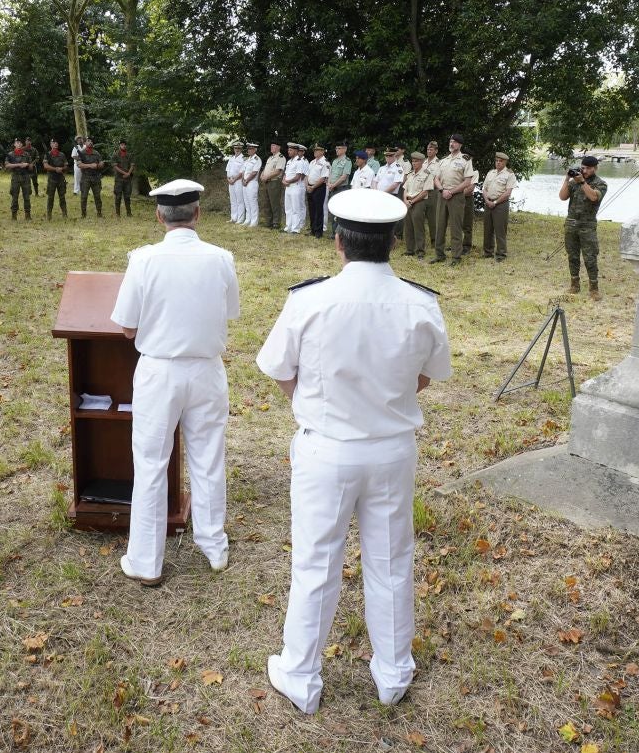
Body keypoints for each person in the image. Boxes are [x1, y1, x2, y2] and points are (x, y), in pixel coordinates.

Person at [255, 188, 452, 714]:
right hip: (391, 449)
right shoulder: (421, 303)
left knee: (316, 561)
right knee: (391, 560)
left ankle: (301, 675)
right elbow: (426, 377)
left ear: (337, 242)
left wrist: (319, 406)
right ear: (393, 240)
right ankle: (393, 673)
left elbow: (279, 370)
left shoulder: (310, 300)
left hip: (327, 448)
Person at [111, 179, 240, 585]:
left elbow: (127, 328)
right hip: (205, 368)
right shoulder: (221, 258)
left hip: (159, 370)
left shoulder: (144, 260)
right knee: (208, 458)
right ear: (197, 214)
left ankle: (147, 562)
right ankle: (214, 545)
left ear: (158, 215)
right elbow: (230, 312)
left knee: (150, 464)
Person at [559, 155, 607, 299]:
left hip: (588, 225)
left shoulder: (601, 184)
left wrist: (582, 182)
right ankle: (574, 284)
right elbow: (562, 196)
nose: (584, 171)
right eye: (583, 167)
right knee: (572, 256)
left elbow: (594, 197)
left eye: (588, 168)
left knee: (590, 257)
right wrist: (568, 179)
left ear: (595, 169)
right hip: (572, 224)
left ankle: (594, 288)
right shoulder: (574, 182)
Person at [431, 134, 474, 266]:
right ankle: (439, 255)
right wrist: (442, 190)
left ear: (460, 145)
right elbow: (435, 178)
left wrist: (452, 192)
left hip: (456, 196)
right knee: (440, 226)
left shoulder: (465, 160)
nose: (452, 144)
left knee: (456, 227)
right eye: (450, 141)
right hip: (442, 195)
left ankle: (456, 257)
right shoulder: (443, 160)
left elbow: (467, 181)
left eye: (455, 142)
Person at [480, 152, 517, 262]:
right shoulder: (490, 173)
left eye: (500, 161)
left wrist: (495, 202)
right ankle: (488, 252)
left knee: (500, 230)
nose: (498, 163)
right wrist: (487, 200)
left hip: (500, 205)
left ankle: (501, 254)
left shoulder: (509, 174)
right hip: (488, 203)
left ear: (505, 162)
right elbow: (484, 189)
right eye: (496, 161)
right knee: (488, 229)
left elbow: (508, 193)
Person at [401, 152, 429, 258]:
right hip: (408, 202)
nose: (414, 163)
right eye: (413, 161)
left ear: (422, 162)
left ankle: (420, 251)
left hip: (419, 202)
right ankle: (409, 250)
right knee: (408, 227)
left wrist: (412, 201)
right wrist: (405, 200)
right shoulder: (410, 174)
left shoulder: (427, 174)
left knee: (418, 227)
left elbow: (425, 192)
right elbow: (405, 189)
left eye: (416, 161)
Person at [325, 143, 352, 235]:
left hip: (341, 189)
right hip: (333, 188)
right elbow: (331, 174)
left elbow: (344, 177)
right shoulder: (335, 161)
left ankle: (339, 233)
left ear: (345, 149)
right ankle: (334, 232)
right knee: (333, 210)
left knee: (340, 211)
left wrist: (333, 185)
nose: (336, 150)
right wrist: (329, 183)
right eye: (336, 148)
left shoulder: (347, 161)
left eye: (339, 148)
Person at [305, 145, 331, 239]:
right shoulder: (312, 162)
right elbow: (307, 175)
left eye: (317, 150)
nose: (315, 151)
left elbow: (323, 178)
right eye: (314, 150)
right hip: (310, 187)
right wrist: (307, 185)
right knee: (311, 209)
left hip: (319, 188)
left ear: (322, 152)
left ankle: (318, 232)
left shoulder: (325, 163)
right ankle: (312, 229)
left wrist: (313, 187)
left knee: (318, 210)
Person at [282, 143, 308, 234]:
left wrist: (287, 182)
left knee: (295, 209)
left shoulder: (300, 162)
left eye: (291, 150)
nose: (289, 151)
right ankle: (288, 227)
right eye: (288, 150)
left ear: (296, 151)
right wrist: (284, 180)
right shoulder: (289, 161)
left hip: (295, 187)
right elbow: (285, 174)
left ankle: (295, 229)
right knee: (288, 208)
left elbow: (298, 177)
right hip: (288, 187)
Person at [260, 143, 286, 230]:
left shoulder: (281, 157)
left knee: (274, 203)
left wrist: (267, 177)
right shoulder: (270, 158)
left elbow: (278, 171)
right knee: (266, 203)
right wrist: (262, 175)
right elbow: (265, 169)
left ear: (278, 147)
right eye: (271, 146)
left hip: (274, 182)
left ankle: (276, 223)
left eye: (273, 146)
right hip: (266, 182)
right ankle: (268, 222)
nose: (271, 147)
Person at [5, 140, 32, 219]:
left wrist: (27, 164)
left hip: (25, 177)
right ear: (14, 144)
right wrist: (19, 165)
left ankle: (28, 215)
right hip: (15, 177)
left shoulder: (26, 154)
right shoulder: (10, 154)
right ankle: (14, 215)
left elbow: (31, 167)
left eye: (20, 143)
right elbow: (7, 165)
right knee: (14, 196)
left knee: (27, 196)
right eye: (17, 143)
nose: (19, 144)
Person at [43, 139, 70, 220]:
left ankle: (65, 214)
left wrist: (62, 168)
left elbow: (66, 166)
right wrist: (55, 169)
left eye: (56, 142)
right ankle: (49, 215)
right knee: (50, 197)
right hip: (52, 179)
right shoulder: (47, 154)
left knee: (62, 197)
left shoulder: (62, 155)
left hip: (61, 179)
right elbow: (46, 166)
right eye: (53, 143)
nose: (55, 144)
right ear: (51, 145)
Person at [78, 140, 105, 217]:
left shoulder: (96, 153)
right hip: (85, 177)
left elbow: (101, 163)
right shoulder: (82, 153)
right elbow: (79, 165)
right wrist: (90, 165)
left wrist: (97, 165)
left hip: (96, 177)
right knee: (84, 196)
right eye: (88, 141)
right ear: (85, 143)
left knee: (97, 196)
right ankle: (83, 214)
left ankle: (99, 213)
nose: (90, 142)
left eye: (91, 141)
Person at [240, 142, 261, 227]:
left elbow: (254, 172)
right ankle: (248, 219)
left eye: (251, 149)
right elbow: (243, 171)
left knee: (252, 202)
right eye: (248, 149)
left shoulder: (257, 159)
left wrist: (247, 180)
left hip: (252, 183)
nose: (249, 150)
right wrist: (242, 180)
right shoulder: (247, 159)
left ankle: (254, 221)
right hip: (245, 182)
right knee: (246, 202)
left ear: (255, 150)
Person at [111, 142, 136, 216]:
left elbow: (132, 165)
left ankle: (129, 213)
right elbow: (115, 166)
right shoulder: (115, 155)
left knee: (127, 196)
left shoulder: (129, 155)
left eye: (125, 145)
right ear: (119, 146)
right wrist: (125, 173)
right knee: (118, 196)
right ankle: (117, 213)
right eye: (122, 145)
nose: (123, 146)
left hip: (127, 179)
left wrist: (128, 173)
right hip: (119, 179)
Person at [225, 142, 245, 224]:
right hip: (231, 181)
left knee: (240, 200)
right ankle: (233, 218)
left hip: (238, 181)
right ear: (233, 149)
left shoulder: (243, 158)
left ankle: (240, 219)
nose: (237, 150)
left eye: (239, 148)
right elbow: (227, 170)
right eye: (236, 148)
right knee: (233, 200)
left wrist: (234, 179)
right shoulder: (231, 158)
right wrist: (229, 179)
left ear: (241, 149)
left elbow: (242, 172)